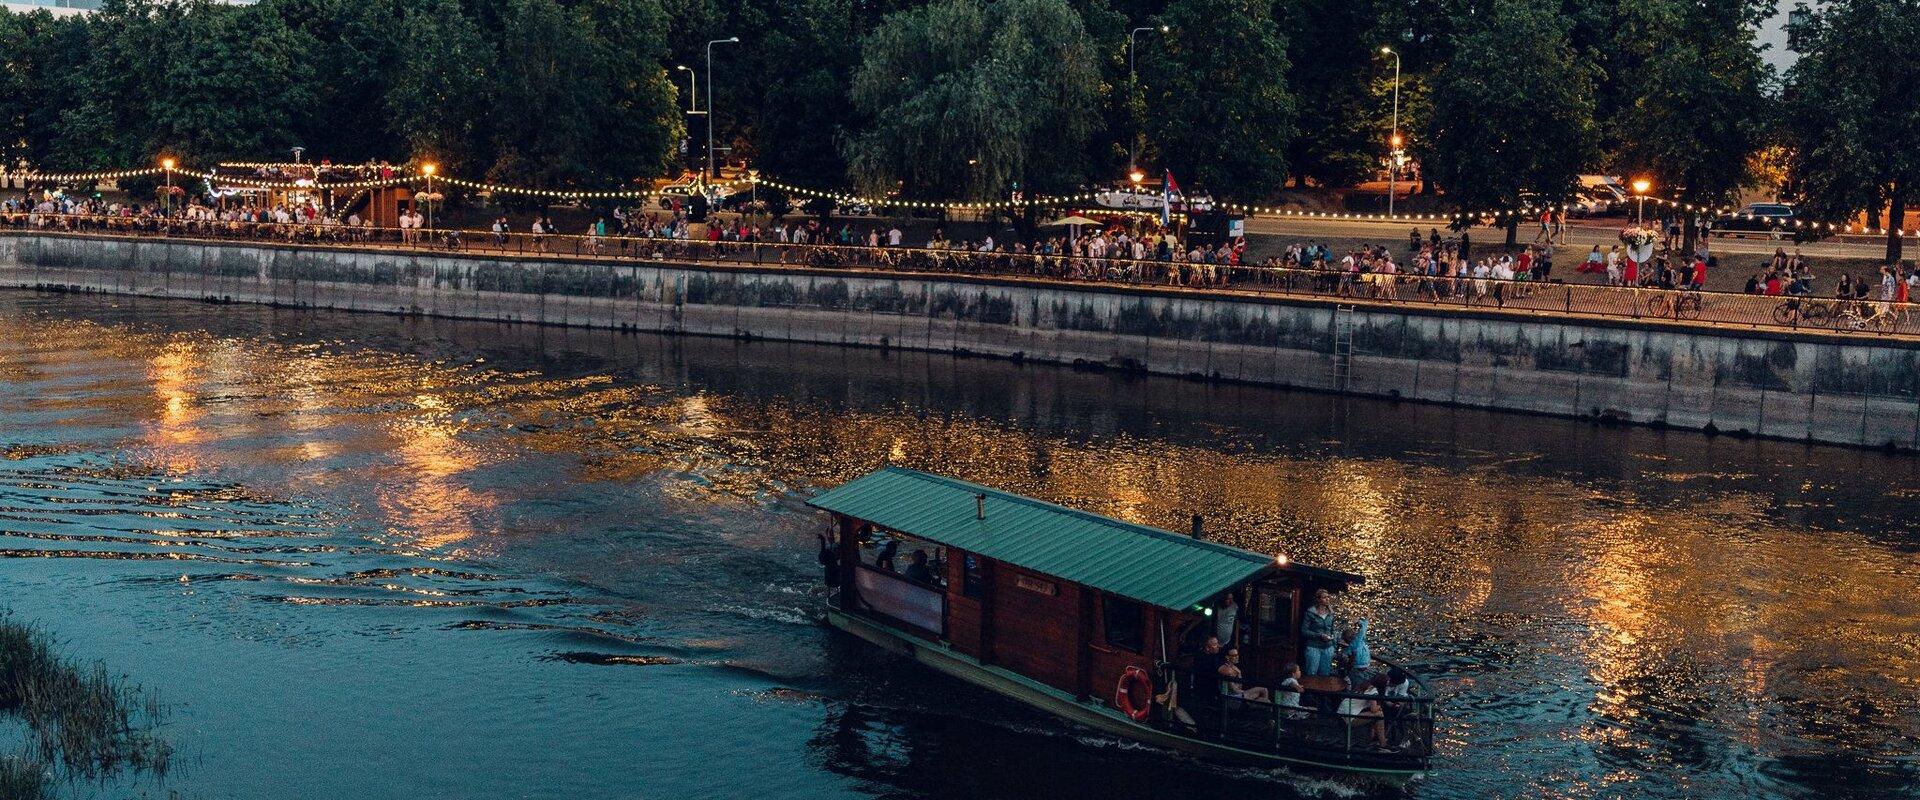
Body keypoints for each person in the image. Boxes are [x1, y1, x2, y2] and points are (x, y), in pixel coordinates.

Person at [1339, 675, 1392, 750]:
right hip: (1350, 716)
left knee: (1374, 716)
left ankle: (1374, 738)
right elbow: (1374, 709)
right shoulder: (1373, 691)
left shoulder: (1365, 685)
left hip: (1342, 712)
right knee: (1379, 714)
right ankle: (1383, 744)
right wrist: (1379, 707)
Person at [1302, 589, 1337, 676]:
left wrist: (1333, 644)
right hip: (1314, 647)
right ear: (1318, 599)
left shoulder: (1331, 613)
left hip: (1328, 648)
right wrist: (1319, 635)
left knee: (1325, 675)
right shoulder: (1310, 613)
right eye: (1324, 597)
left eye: (1328, 597)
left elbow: (1333, 629)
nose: (1327, 599)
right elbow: (1304, 631)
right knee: (1311, 673)